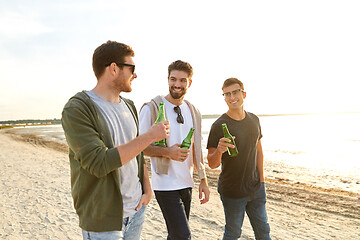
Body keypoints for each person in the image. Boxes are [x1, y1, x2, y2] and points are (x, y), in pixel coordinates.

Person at [61, 40, 170, 240]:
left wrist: (147, 190)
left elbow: (136, 153)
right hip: (103, 218)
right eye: (132, 68)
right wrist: (150, 136)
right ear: (113, 68)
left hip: (136, 210)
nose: (135, 74)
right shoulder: (77, 109)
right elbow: (98, 162)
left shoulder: (129, 106)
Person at [139, 60, 210, 240]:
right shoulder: (152, 109)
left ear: (189, 83)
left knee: (176, 236)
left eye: (182, 80)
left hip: (186, 182)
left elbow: (196, 147)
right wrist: (167, 152)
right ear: (167, 79)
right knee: (183, 235)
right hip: (164, 183)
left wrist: (203, 179)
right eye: (173, 79)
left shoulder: (194, 111)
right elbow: (139, 147)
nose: (177, 84)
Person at [206, 78, 271, 240]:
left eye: (235, 92)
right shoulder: (218, 125)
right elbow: (212, 164)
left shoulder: (254, 120)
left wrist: (262, 181)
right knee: (233, 233)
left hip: (256, 188)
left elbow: (259, 151)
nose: (231, 97)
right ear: (224, 97)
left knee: (264, 232)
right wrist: (220, 150)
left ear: (244, 94)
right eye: (227, 94)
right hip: (232, 191)